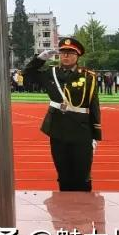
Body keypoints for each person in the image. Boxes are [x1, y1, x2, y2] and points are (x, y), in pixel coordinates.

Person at [22, 37, 102, 192]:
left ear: (77, 55)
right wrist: (39, 59)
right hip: (58, 129)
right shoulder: (50, 73)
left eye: (70, 53)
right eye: (63, 52)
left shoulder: (88, 76)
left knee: (82, 175)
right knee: (63, 174)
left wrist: (95, 135)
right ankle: (65, 212)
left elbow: (94, 105)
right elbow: (27, 75)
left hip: (82, 130)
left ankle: (84, 210)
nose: (66, 56)